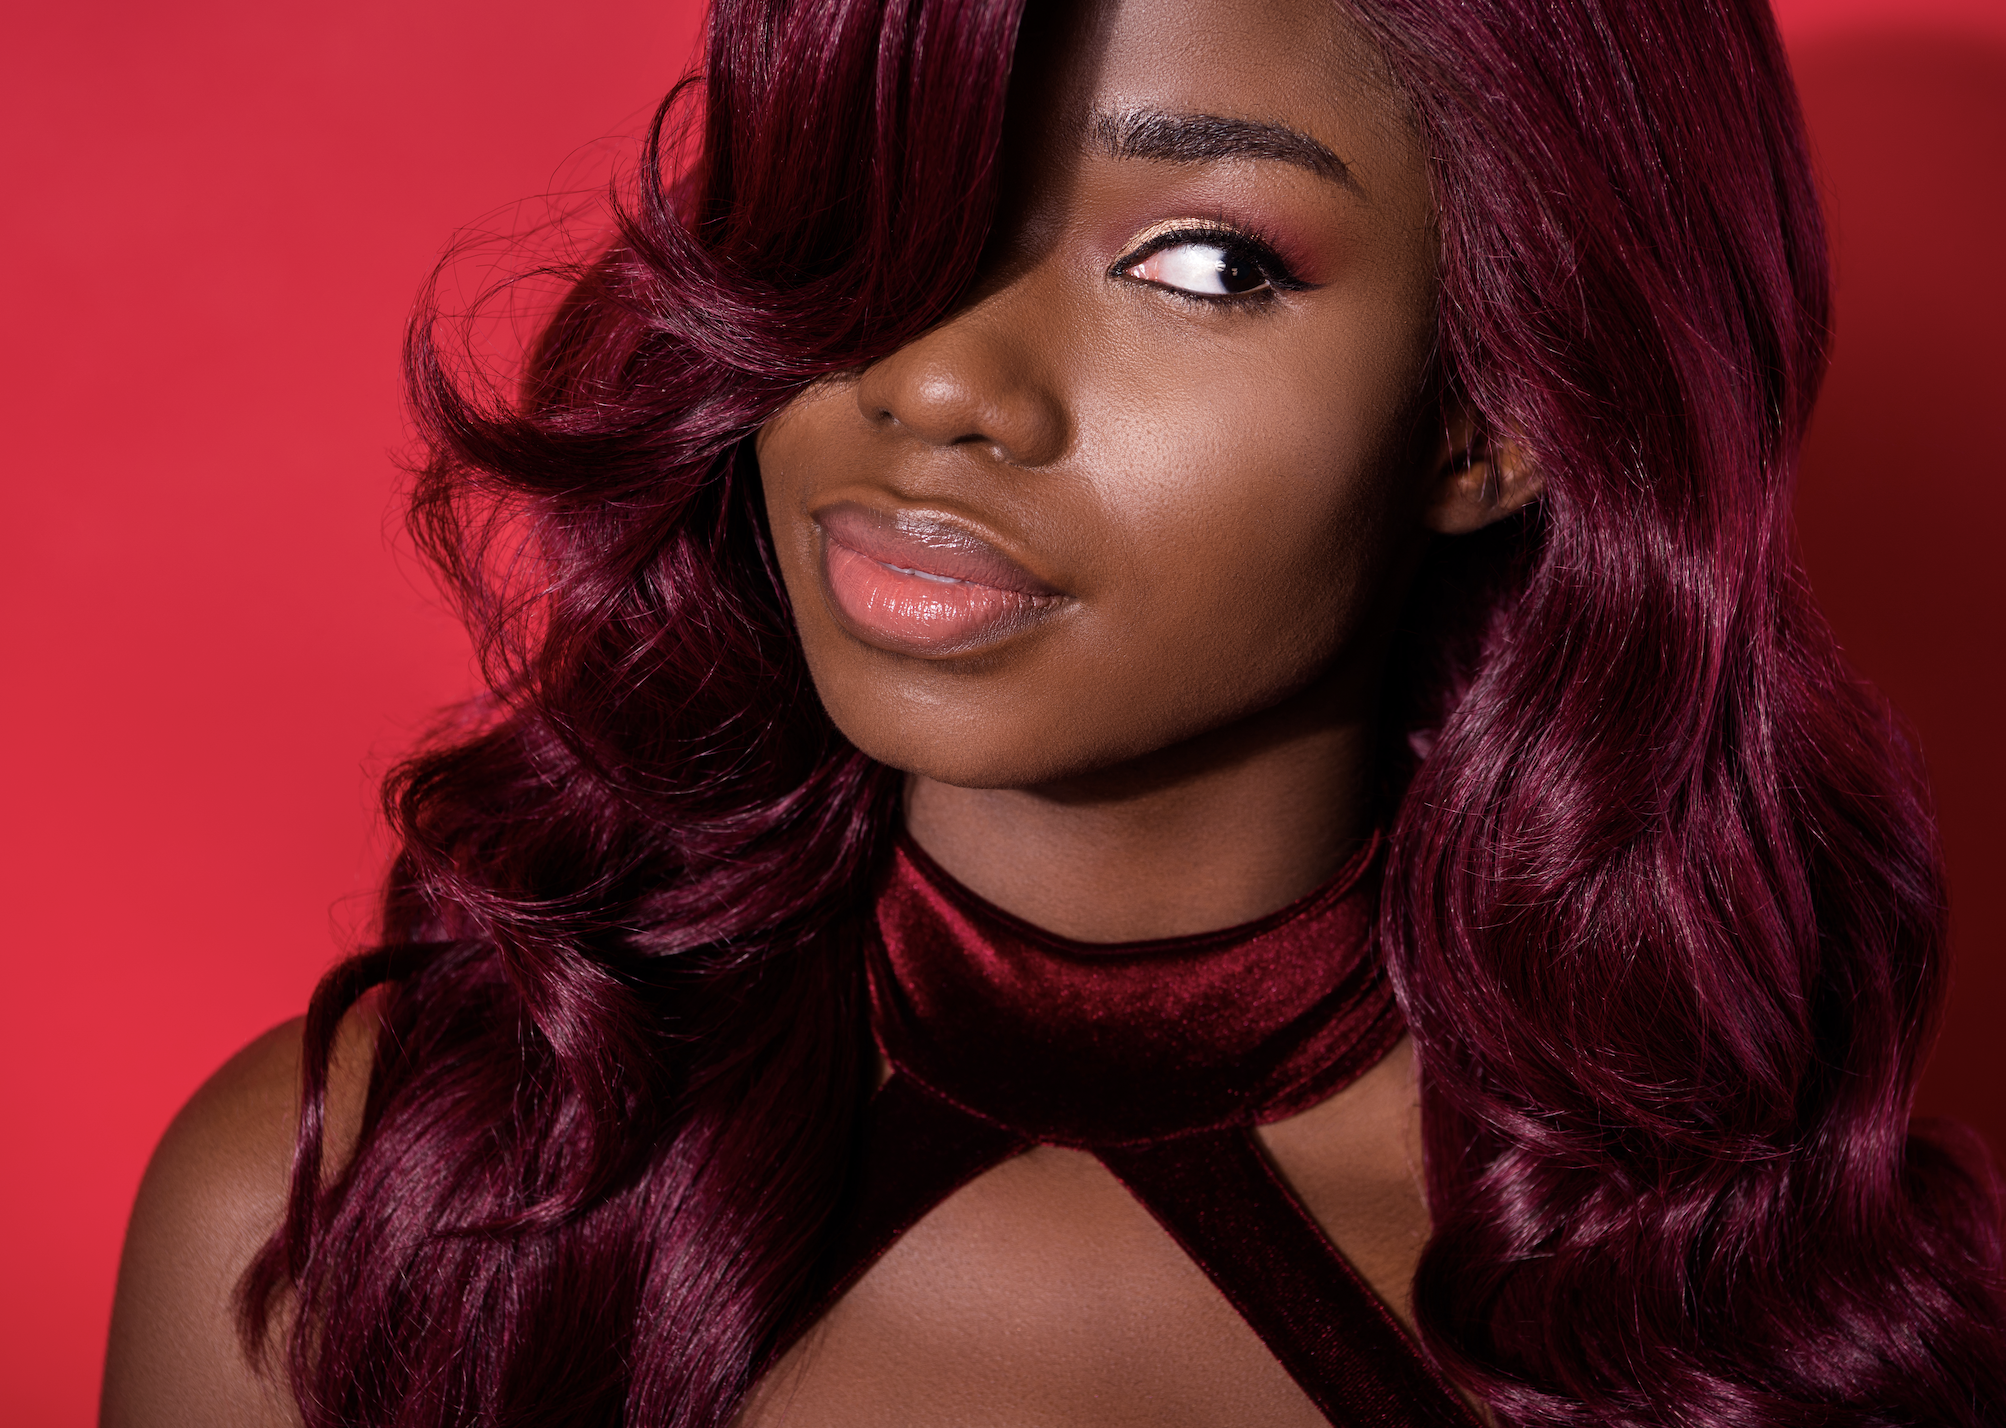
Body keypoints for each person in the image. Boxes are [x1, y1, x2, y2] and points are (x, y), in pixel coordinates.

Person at [100, 0, 2006, 1422]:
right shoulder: (364, 1215)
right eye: (884, 209)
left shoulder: (1741, 1332)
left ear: (1492, 408)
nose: (940, 380)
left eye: (1202, 261)